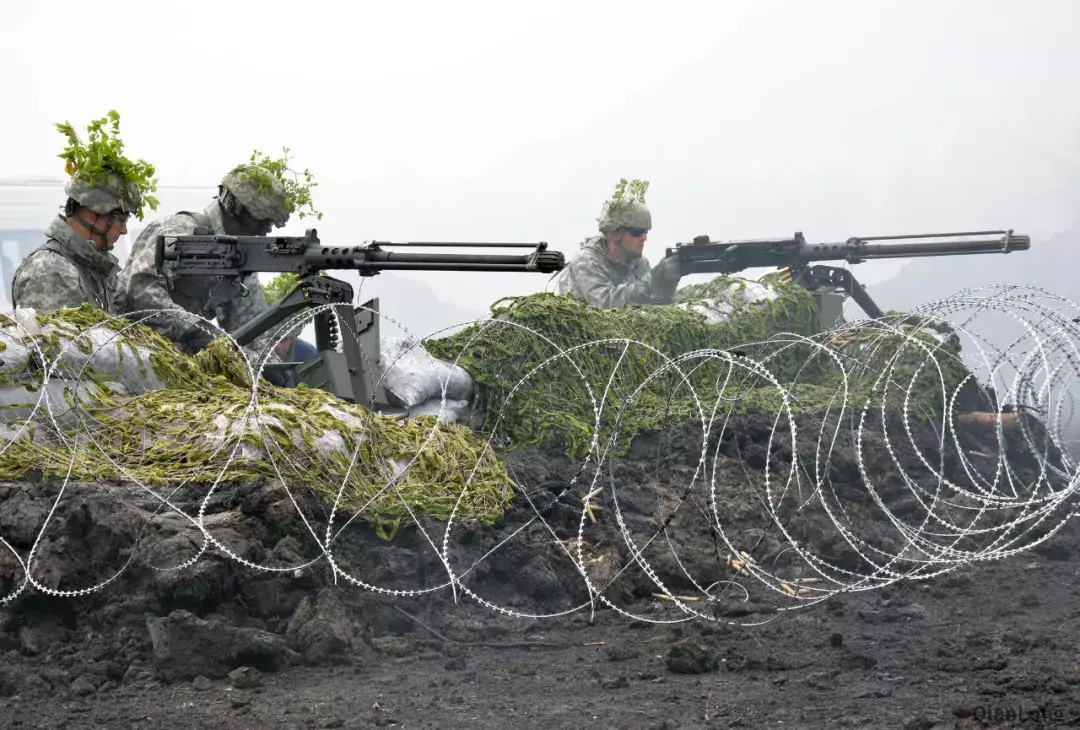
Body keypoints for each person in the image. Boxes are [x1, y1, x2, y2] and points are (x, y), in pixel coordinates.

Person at [116, 164, 291, 357]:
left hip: (176, 361)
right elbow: (141, 293)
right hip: (129, 347)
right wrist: (198, 330)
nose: (263, 231)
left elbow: (252, 329)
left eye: (269, 224)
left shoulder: (239, 259)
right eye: (259, 220)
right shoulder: (179, 230)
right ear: (232, 206)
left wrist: (269, 366)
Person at [11, 174, 140, 314]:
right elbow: (57, 335)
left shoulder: (98, 269)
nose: (124, 231)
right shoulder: (52, 271)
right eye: (121, 220)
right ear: (94, 214)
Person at [554, 198, 683, 309]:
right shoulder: (586, 261)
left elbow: (654, 306)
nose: (644, 237)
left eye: (646, 231)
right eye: (637, 231)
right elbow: (604, 305)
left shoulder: (639, 263)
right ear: (614, 233)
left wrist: (667, 282)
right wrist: (653, 279)